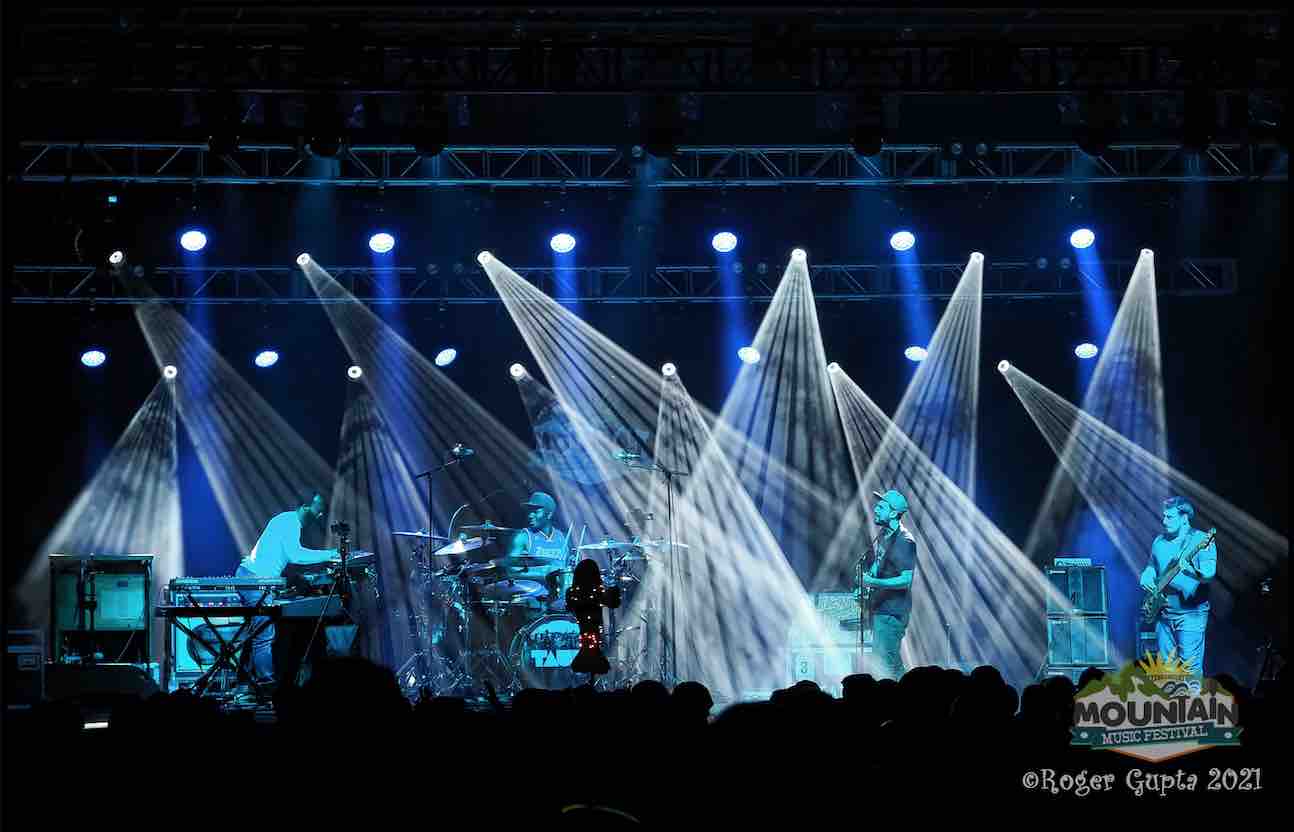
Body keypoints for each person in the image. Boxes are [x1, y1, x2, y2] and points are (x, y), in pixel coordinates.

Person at [235, 492, 339, 688]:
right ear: (306, 506)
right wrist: (330, 554)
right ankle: (266, 687)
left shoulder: (287, 522)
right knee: (264, 635)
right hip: (254, 580)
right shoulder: (289, 523)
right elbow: (296, 556)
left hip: (254, 578)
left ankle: (244, 685)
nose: (320, 515)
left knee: (255, 634)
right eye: (319, 509)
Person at [1138, 496, 1217, 675]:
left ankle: (1194, 703)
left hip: (1191, 615)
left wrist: (1190, 571)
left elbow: (1209, 573)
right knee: (1167, 671)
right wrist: (1146, 575)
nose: (1164, 521)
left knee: (1190, 669)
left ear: (1184, 518)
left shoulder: (1201, 539)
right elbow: (1152, 566)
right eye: (1164, 516)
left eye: (1170, 517)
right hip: (1163, 614)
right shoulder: (1159, 541)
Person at [856, 488, 918, 681]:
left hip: (893, 612)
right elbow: (879, 563)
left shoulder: (904, 541)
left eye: (881, 506)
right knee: (890, 663)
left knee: (885, 664)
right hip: (881, 609)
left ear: (893, 513)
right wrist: (865, 585)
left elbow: (907, 579)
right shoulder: (884, 535)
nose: (875, 509)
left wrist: (874, 582)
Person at [566, 558, 621, 676]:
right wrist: (615, 586)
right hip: (594, 636)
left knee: (589, 647)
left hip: (586, 635)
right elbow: (614, 602)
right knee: (592, 650)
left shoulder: (571, 592)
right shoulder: (598, 592)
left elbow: (569, 606)